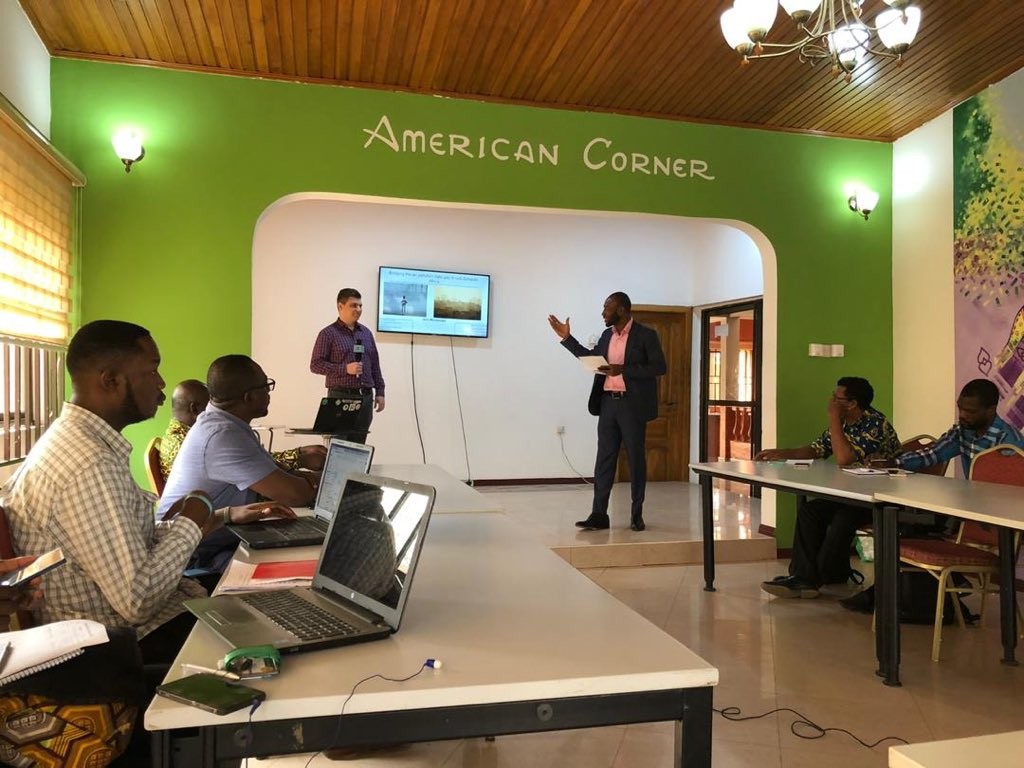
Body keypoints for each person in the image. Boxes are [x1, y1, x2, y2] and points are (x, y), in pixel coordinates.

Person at [1, 320, 292, 665]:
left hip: (147, 621)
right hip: (125, 647)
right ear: (110, 380)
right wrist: (191, 518)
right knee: (286, 630)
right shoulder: (87, 464)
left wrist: (220, 517)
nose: (161, 383)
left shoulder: (84, 445)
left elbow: (130, 546)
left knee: (275, 600)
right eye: (151, 370)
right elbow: (137, 600)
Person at [158, 355, 318, 570]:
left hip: (213, 536)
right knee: (303, 563)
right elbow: (297, 495)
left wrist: (309, 478)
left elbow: (277, 472)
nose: (269, 394)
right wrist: (333, 482)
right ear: (250, 397)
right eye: (267, 387)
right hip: (189, 556)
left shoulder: (224, 424)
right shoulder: (222, 436)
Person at [755, 376, 902, 598]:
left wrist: (833, 418)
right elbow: (817, 449)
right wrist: (780, 453)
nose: (831, 401)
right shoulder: (843, 422)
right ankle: (801, 577)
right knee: (810, 511)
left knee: (843, 519)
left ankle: (813, 579)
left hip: (878, 495)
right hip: (852, 492)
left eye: (837, 398)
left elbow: (844, 459)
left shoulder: (875, 424)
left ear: (851, 404)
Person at [548, 292, 666, 532]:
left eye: (607, 308)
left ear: (621, 310)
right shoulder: (606, 335)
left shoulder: (646, 335)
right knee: (604, 461)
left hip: (632, 406)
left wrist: (622, 369)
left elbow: (659, 367)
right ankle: (599, 514)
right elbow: (591, 359)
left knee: (636, 460)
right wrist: (567, 338)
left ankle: (636, 515)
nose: (603, 312)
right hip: (607, 405)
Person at [159, 379, 325, 479]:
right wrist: (304, 467)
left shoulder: (184, 434)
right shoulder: (199, 440)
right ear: (195, 409)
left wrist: (297, 454)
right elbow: (247, 465)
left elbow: (249, 459)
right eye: (211, 404)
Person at [873, 378, 1024, 474]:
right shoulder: (963, 430)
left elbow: (1009, 487)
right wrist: (891, 463)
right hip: (973, 501)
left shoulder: (1010, 442)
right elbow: (934, 453)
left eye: (970, 411)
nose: (962, 415)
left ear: (991, 410)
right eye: (960, 408)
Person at [310, 288, 386, 421]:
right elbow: (316, 365)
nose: (358, 309)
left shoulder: (366, 333)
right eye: (353, 305)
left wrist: (380, 392)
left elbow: (375, 365)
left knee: (360, 441)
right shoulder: (328, 334)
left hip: (365, 397)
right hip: (340, 397)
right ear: (340, 306)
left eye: (360, 306)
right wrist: (345, 369)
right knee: (339, 441)